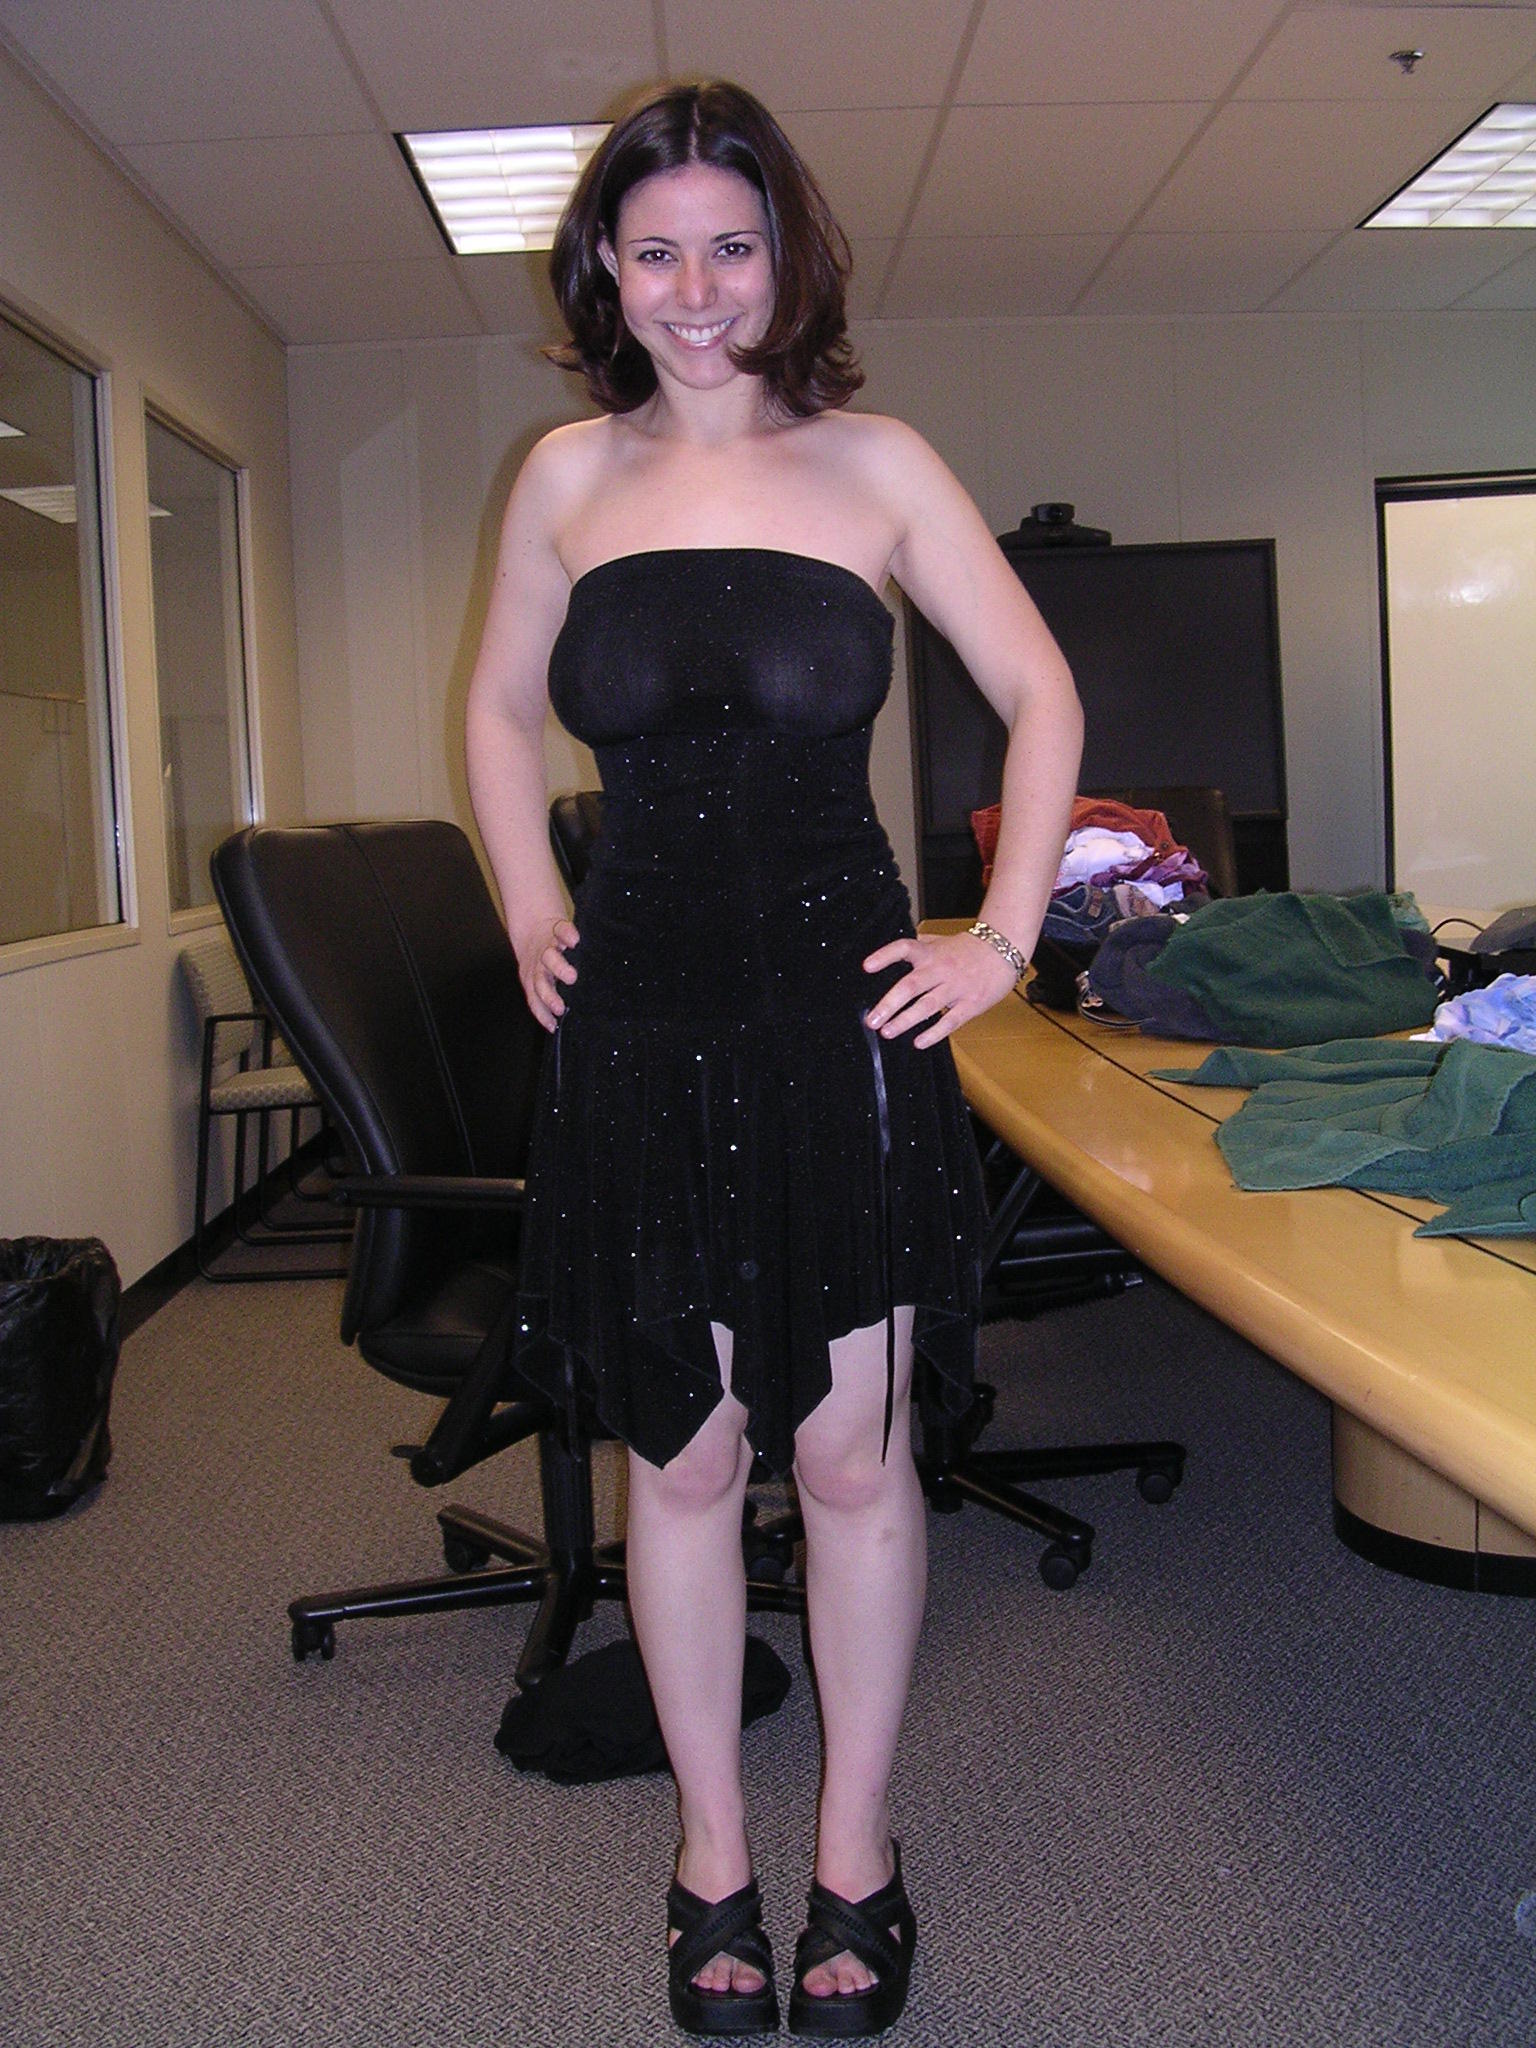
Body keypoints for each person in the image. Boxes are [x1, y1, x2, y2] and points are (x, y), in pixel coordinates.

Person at [465, 79, 1082, 2039]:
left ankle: (858, 1852)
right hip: (641, 1026)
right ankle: (712, 1855)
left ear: (786, 255)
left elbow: (1042, 690)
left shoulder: (878, 464)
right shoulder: (564, 478)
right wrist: (525, 901)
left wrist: (1005, 935)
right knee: (685, 1454)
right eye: (657, 250)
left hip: (841, 1016)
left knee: (847, 1453)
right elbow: (496, 710)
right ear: (606, 268)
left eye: (732, 245)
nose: (697, 286)